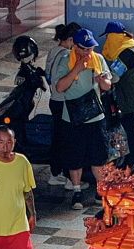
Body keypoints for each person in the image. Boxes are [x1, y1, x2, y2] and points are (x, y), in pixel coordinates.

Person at [49, 27, 112, 208]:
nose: (87, 52)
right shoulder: (64, 60)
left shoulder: (98, 59)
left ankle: (101, 191)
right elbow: (59, 87)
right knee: (74, 156)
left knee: (99, 156)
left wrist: (102, 81)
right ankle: (77, 191)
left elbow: (108, 86)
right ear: (75, 46)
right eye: (84, 48)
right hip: (72, 117)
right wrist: (76, 69)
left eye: (90, 48)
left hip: (95, 116)